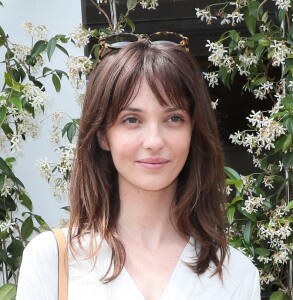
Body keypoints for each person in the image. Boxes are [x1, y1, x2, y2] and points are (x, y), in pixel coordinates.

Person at [16, 32, 260, 300]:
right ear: (102, 135)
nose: (154, 141)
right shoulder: (53, 260)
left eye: (174, 118)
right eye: (132, 120)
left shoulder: (234, 274)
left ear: (194, 131)